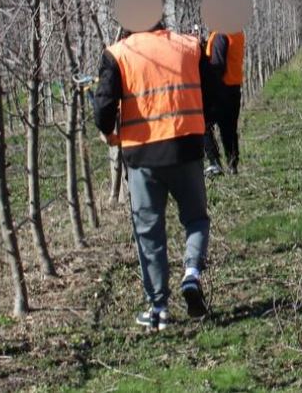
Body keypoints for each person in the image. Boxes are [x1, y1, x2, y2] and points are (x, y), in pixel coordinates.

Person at [93, 18, 214, 331]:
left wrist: (108, 133)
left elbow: (103, 107)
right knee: (196, 219)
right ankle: (192, 274)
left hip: (143, 155)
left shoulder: (118, 53)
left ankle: (158, 307)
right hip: (187, 148)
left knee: (149, 231)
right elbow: (211, 89)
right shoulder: (188, 45)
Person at [203, 28, 245, 176]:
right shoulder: (237, 33)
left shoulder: (221, 34)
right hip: (234, 88)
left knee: (203, 123)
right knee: (229, 129)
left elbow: (218, 65)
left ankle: (214, 162)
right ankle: (232, 163)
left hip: (221, 88)